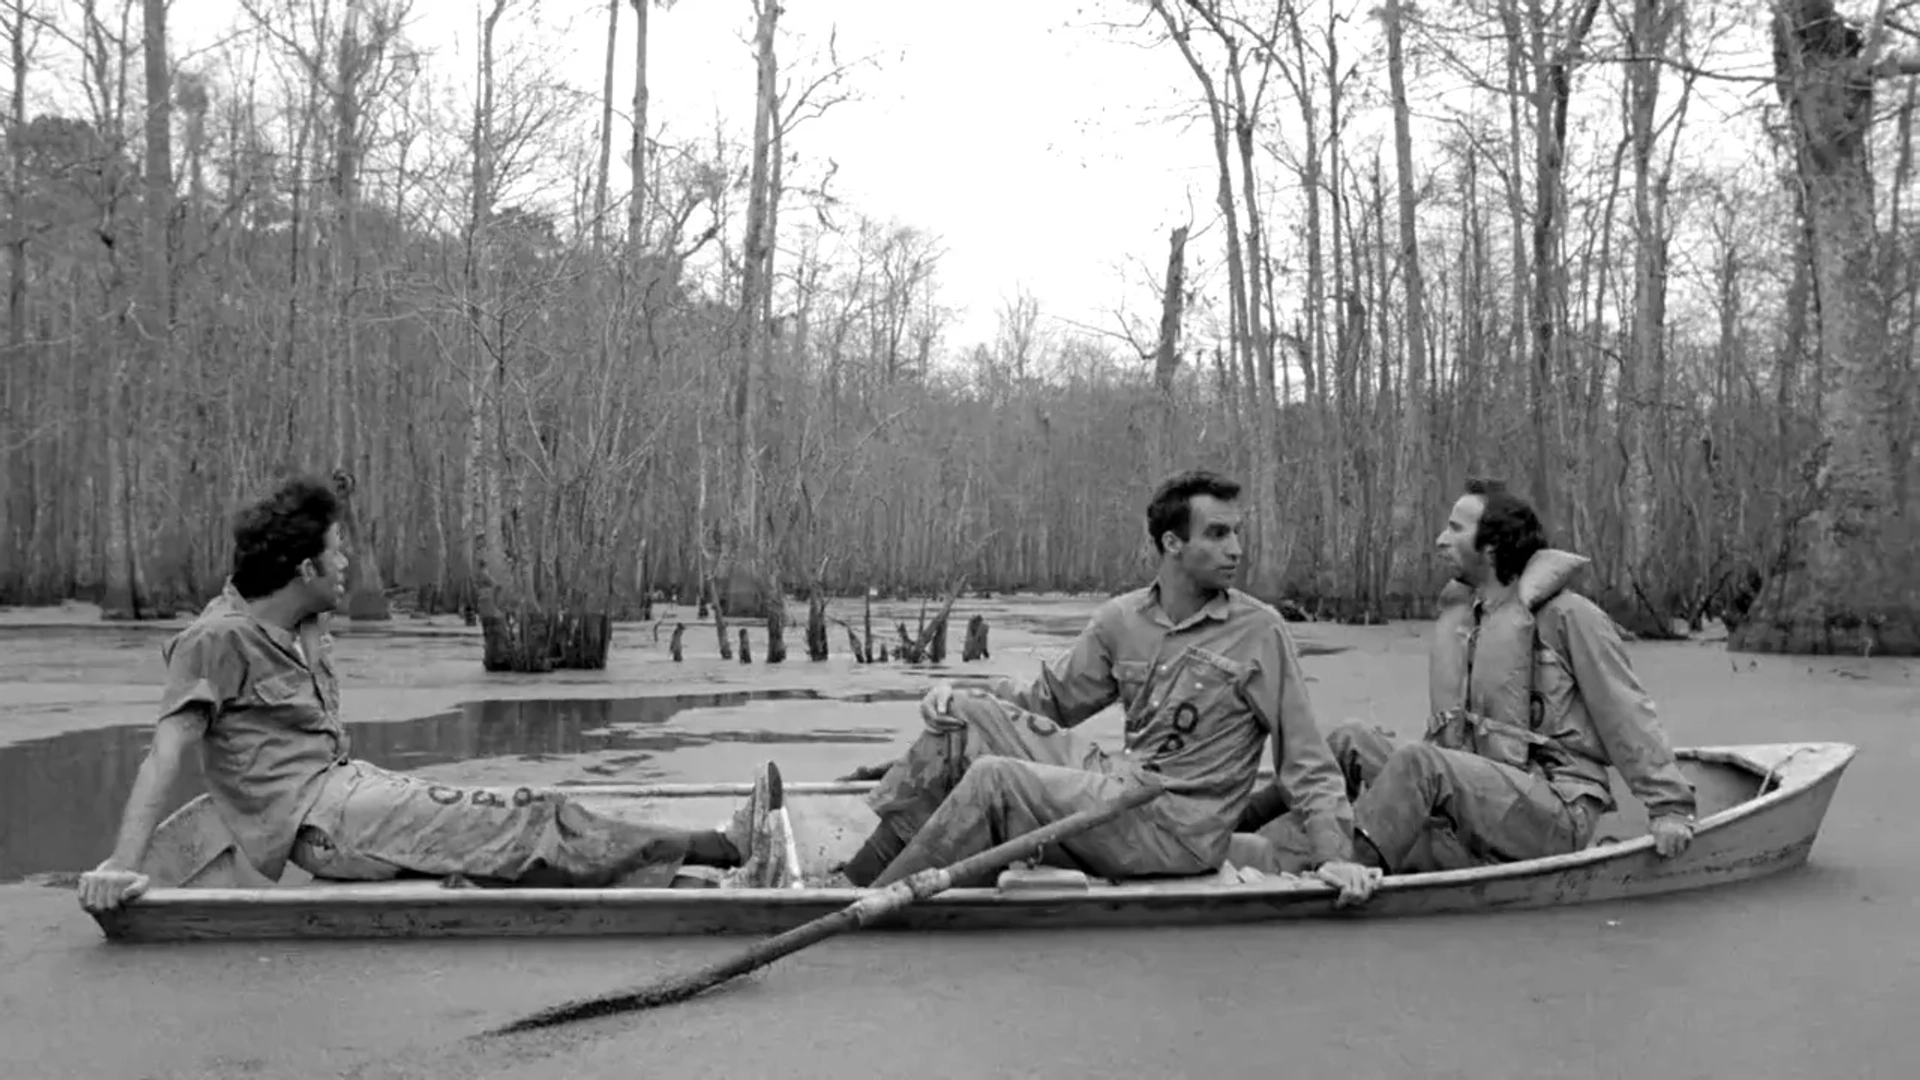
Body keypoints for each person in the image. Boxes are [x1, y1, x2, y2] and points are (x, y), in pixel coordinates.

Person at [78, 475, 786, 914]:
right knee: (531, 816)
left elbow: (304, 651)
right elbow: (164, 755)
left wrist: (317, 596)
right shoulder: (216, 641)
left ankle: (692, 883)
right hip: (325, 826)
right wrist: (120, 865)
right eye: (336, 553)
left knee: (511, 831)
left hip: (349, 791)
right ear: (302, 567)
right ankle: (723, 849)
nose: (348, 562)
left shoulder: (296, 617)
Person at [835, 470, 1381, 907]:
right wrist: (957, 694)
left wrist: (1336, 853)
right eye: (1218, 534)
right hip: (1122, 787)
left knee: (995, 779)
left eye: (1236, 532)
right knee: (966, 719)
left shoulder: (1260, 631)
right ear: (1172, 543)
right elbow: (1047, 703)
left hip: (1179, 829)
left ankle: (872, 901)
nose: (1236, 548)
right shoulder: (1122, 620)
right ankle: (851, 876)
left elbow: (1306, 759)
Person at [1244, 478, 1698, 877]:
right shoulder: (1471, 619)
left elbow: (1625, 710)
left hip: (1555, 812)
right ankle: (1233, 834)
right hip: (1477, 802)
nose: (1441, 539)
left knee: (1420, 763)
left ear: (1492, 546)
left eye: (1456, 529)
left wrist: (1670, 808)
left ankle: (1341, 872)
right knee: (1349, 741)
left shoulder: (1570, 617)